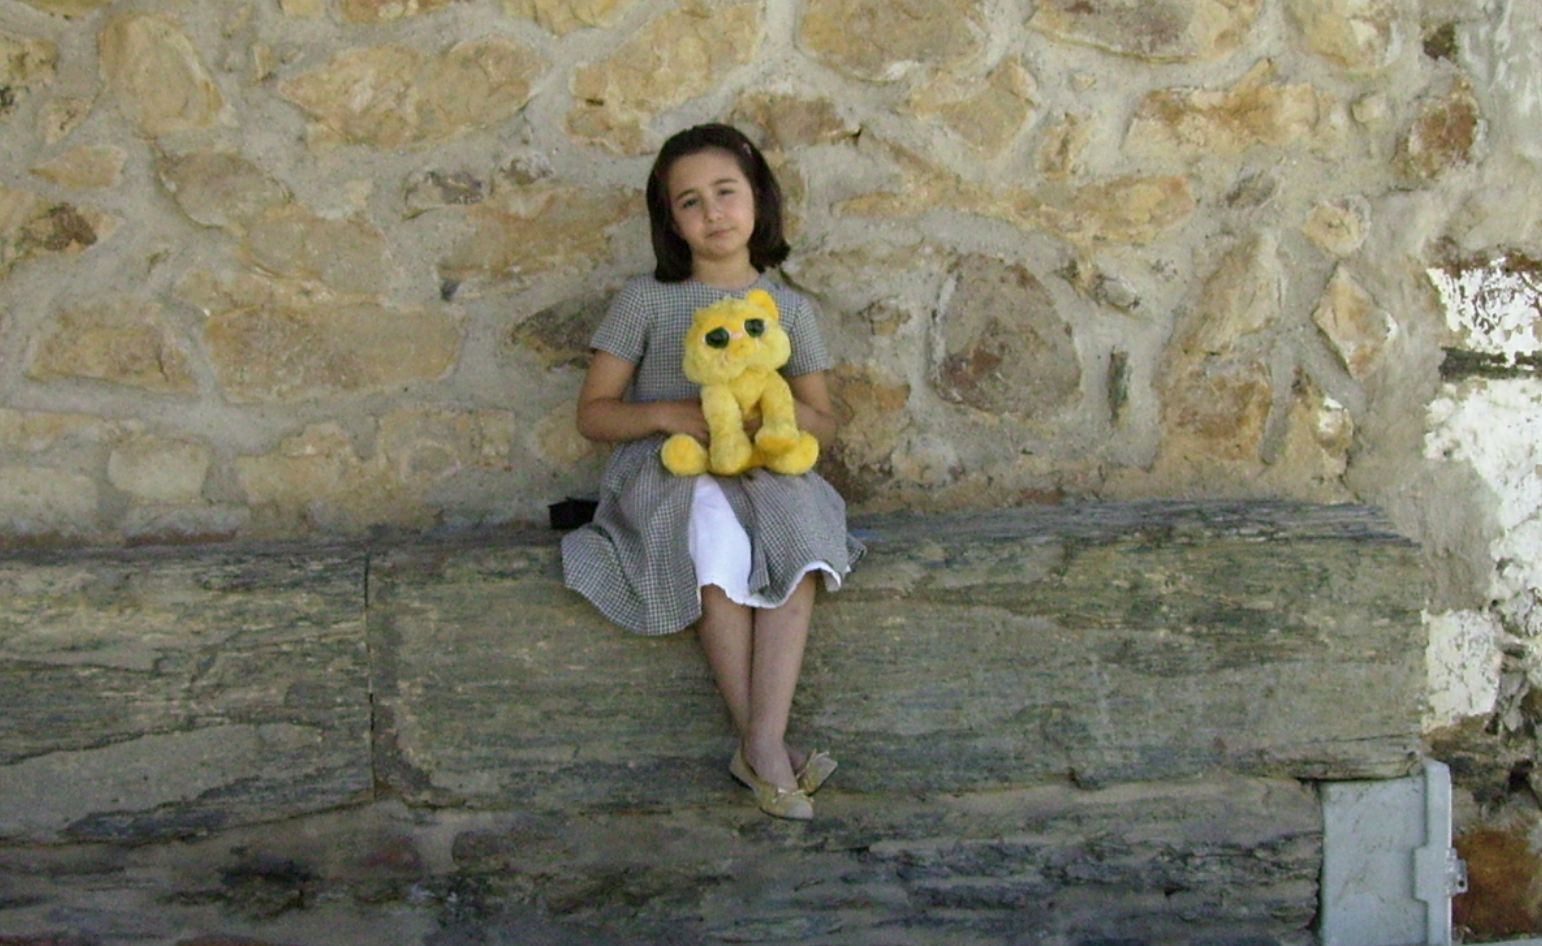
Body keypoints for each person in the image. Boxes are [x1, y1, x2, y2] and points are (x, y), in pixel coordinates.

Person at [561, 123, 863, 821]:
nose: (713, 213)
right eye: (690, 202)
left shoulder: (787, 310)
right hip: (670, 468)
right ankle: (767, 750)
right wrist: (666, 413)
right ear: (671, 221)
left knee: (799, 528)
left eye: (726, 192)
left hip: (763, 466)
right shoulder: (646, 301)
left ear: (758, 199)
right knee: (713, 532)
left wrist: (773, 418)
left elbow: (823, 421)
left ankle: (760, 742)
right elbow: (594, 414)